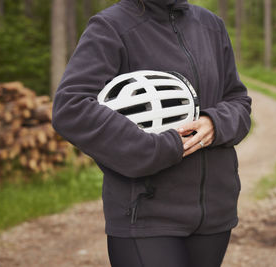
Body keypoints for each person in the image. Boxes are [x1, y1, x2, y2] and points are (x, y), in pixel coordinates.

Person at [51, 0, 252, 266]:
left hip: (214, 215)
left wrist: (215, 123)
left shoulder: (211, 25)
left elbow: (238, 100)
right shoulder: (111, 26)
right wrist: (157, 150)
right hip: (145, 215)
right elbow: (71, 107)